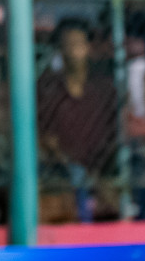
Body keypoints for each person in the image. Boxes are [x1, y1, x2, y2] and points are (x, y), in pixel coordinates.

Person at [37, 19, 117, 222]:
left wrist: (100, 171)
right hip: (63, 168)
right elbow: (46, 138)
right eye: (68, 44)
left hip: (101, 165)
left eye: (78, 43)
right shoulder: (48, 90)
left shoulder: (103, 90)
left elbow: (114, 134)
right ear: (60, 50)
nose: (73, 50)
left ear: (88, 48)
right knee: (75, 178)